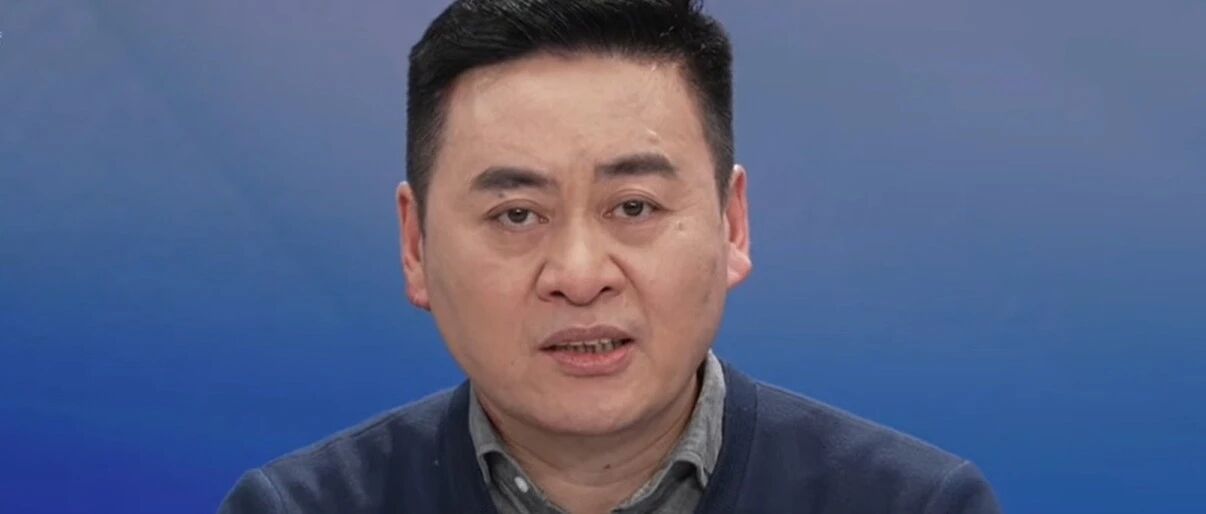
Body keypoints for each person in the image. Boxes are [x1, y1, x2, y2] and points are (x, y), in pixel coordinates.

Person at [218, 1, 1002, 512]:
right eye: (517, 214)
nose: (580, 275)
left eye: (633, 207)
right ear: (416, 245)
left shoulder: (915, 506)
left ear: (732, 224)